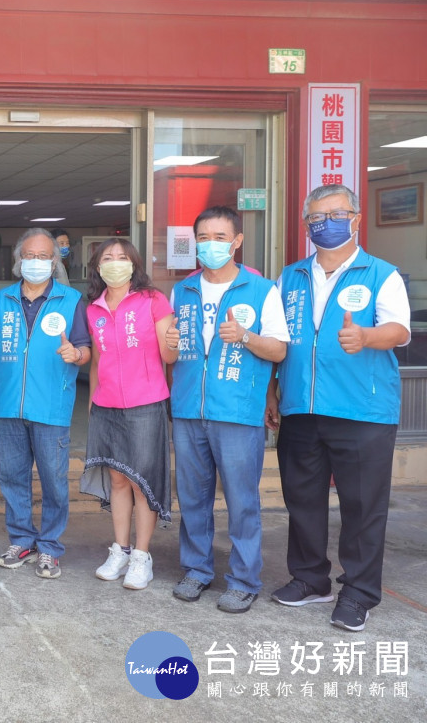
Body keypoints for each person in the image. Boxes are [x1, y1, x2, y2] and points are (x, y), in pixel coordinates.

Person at [266, 184, 410, 632]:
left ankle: (359, 592)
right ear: (306, 224)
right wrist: (274, 390)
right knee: (302, 499)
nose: (324, 223)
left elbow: (400, 330)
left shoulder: (380, 273)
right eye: (315, 217)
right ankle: (310, 579)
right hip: (301, 406)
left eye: (335, 213)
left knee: (362, 506)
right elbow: (279, 338)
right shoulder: (289, 277)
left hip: (361, 409)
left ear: (356, 218)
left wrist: (366, 337)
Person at [167, 207, 289, 614]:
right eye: (204, 237)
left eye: (220, 237)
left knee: (241, 500)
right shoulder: (182, 289)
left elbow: (279, 348)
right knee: (193, 497)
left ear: (237, 241)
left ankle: (243, 580)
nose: (211, 245)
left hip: (237, 410)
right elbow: (174, 350)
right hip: (188, 408)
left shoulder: (261, 289)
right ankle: (197, 570)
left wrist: (246, 336)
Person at [0, 229, 91, 579]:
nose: (36, 262)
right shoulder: (3, 299)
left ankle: (51, 547)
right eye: (29, 255)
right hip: (9, 405)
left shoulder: (71, 300)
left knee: (54, 480)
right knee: (12, 477)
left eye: (43, 256)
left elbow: (85, 349)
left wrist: (76, 353)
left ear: (54, 261)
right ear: (18, 260)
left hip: (51, 406)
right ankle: (22, 539)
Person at [81, 238, 177, 590]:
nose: (115, 263)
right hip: (106, 405)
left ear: (134, 264)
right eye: (108, 258)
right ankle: (119, 550)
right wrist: (93, 398)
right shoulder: (93, 308)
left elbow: (169, 358)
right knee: (118, 479)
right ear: (97, 266)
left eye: (122, 257)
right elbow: (97, 360)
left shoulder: (153, 300)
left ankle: (141, 556)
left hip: (145, 403)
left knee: (141, 481)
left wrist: (174, 341)